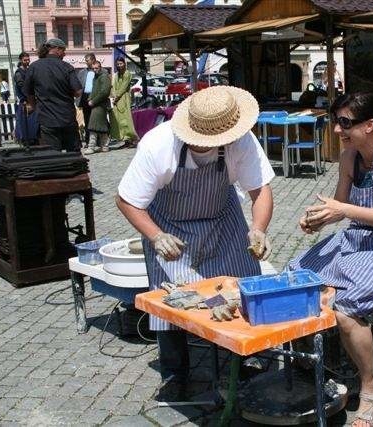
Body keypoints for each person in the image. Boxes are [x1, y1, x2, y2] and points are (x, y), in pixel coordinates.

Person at [116, 85, 274, 402]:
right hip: (169, 226)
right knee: (170, 301)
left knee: (238, 288)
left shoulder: (241, 140)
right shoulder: (158, 145)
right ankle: (175, 373)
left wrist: (258, 228)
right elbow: (127, 201)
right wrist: (156, 235)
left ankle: (240, 362)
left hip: (222, 220)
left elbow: (260, 191)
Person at [288, 92, 373, 427]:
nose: (336, 129)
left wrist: (341, 210)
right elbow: (340, 206)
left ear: (370, 125)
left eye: (344, 123)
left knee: (346, 308)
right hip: (358, 236)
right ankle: (315, 362)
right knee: (297, 275)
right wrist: (317, 219)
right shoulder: (349, 157)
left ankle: (370, 387)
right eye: (336, 121)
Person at [23, 38, 82, 152]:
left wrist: (35, 107)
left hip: (47, 119)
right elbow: (78, 92)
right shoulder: (66, 67)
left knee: (53, 156)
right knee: (73, 155)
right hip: (67, 118)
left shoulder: (34, 67)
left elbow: (28, 93)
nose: (64, 54)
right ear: (56, 49)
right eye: (63, 50)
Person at [83, 60, 111, 155]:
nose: (95, 70)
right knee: (101, 126)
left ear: (100, 67)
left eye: (97, 68)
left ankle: (91, 146)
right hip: (96, 104)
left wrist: (93, 101)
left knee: (93, 126)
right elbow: (94, 90)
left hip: (100, 105)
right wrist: (90, 98)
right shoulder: (97, 77)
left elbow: (104, 92)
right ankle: (105, 146)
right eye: (93, 68)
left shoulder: (104, 77)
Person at [109, 58, 138, 147]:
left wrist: (117, 97)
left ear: (124, 64)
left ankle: (134, 139)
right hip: (116, 99)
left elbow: (124, 87)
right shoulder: (117, 75)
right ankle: (126, 140)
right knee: (120, 120)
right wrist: (113, 96)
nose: (119, 65)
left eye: (121, 64)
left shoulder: (127, 74)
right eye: (118, 64)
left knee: (127, 119)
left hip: (124, 98)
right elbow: (113, 86)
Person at [14, 52, 39, 145]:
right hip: (25, 101)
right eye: (25, 60)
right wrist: (28, 98)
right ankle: (26, 141)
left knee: (33, 122)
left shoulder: (29, 70)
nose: (27, 61)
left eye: (28, 59)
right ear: (21, 60)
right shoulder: (18, 73)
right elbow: (22, 87)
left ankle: (33, 139)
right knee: (25, 123)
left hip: (32, 100)